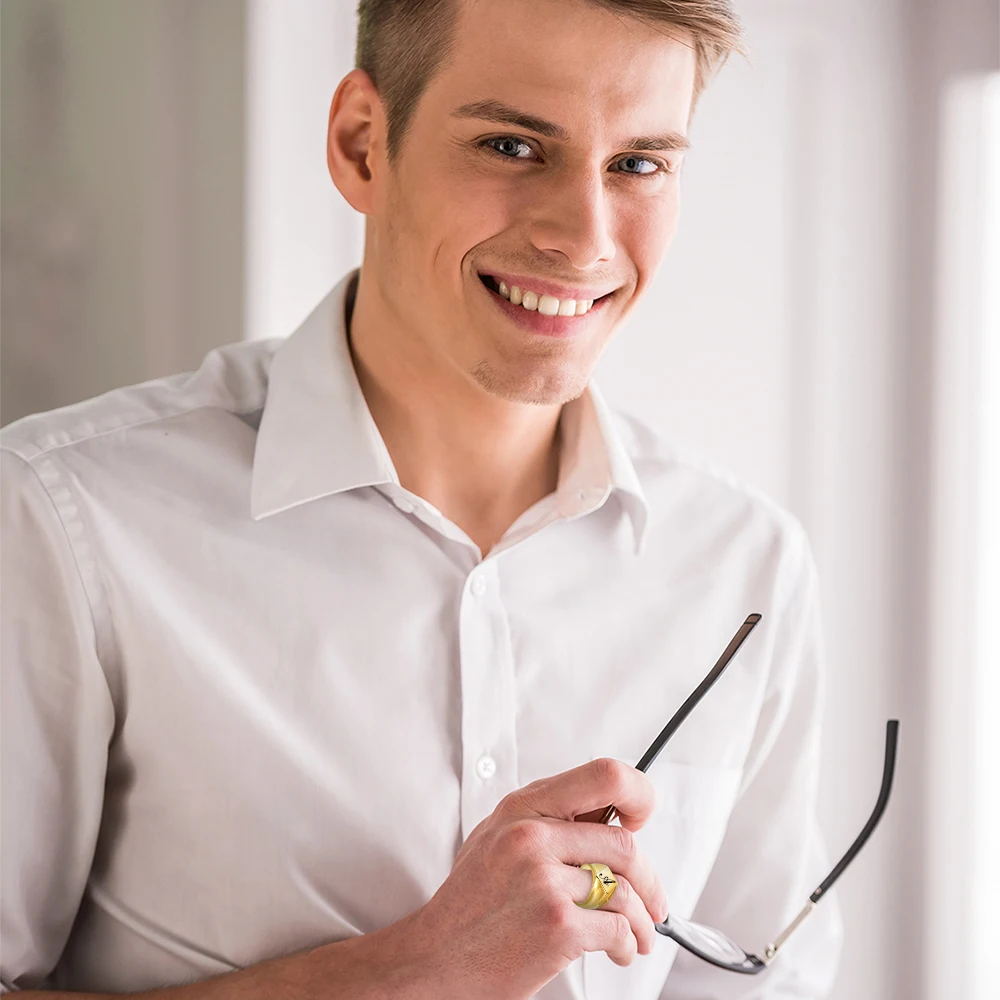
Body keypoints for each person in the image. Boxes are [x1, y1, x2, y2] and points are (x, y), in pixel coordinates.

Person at [0, 0, 843, 996]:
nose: (582, 237)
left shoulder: (745, 569)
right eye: (511, 145)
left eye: (638, 164)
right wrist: (419, 969)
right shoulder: (64, 520)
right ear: (362, 144)